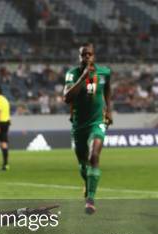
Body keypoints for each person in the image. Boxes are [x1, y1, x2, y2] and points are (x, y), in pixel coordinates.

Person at [63, 43, 112, 214]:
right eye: (84, 55)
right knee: (83, 164)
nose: (87, 57)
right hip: (79, 125)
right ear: (79, 57)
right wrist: (83, 78)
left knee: (94, 155)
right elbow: (67, 98)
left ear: (94, 56)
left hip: (97, 122)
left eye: (90, 54)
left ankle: (90, 199)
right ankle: (87, 183)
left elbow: (107, 90)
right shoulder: (72, 74)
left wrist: (109, 111)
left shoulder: (104, 72)